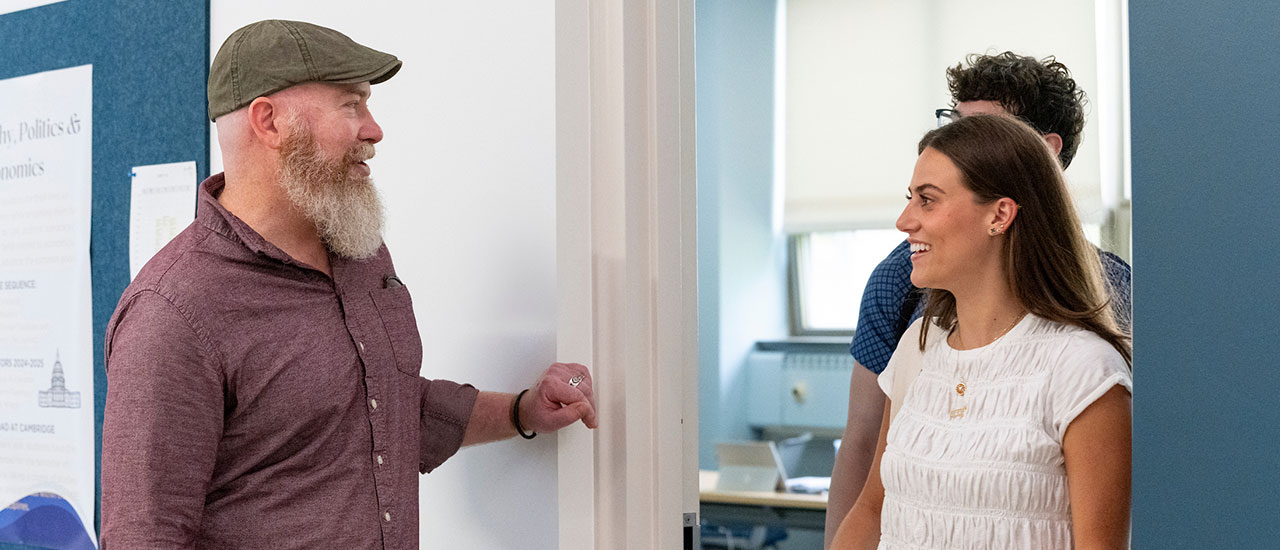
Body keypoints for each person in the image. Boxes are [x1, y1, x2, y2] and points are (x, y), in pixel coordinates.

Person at [99, 20, 596, 549]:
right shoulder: (173, 313)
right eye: (351, 104)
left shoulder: (361, 255)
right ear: (269, 121)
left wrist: (523, 411)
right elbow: (144, 535)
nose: (374, 129)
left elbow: (382, 408)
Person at [823, 51, 1132, 548]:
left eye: (927, 198)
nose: (904, 220)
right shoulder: (915, 347)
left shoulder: (1085, 368)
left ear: (1000, 214)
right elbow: (870, 508)